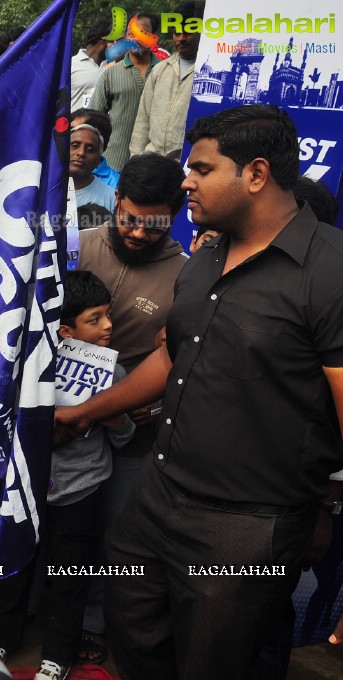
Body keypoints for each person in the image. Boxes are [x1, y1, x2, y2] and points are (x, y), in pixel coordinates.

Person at [55, 104, 343, 680]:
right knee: (133, 629)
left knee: (215, 660)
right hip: (157, 498)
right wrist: (85, 412)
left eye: (202, 169)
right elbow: (172, 355)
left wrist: (330, 508)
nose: (186, 180)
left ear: (256, 174)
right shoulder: (207, 255)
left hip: (249, 524)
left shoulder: (330, 270)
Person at [0, 270, 134, 680]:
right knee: (16, 565)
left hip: (82, 490)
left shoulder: (114, 375)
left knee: (71, 574)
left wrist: (115, 415)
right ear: (65, 331)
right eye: (95, 319)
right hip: (28, 486)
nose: (108, 326)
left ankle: (58, 654)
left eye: (109, 316)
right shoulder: (28, 368)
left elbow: (124, 440)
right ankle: (2, 638)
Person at [73, 152, 188, 661]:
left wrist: (153, 402)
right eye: (130, 221)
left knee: (114, 534)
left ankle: (96, 623)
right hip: (59, 427)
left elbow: (182, 357)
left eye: (154, 225)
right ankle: (31, 605)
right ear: (115, 201)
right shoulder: (76, 246)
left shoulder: (188, 277)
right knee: (55, 523)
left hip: (131, 434)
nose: (139, 234)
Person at [129, 2, 204, 162]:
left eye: (189, 32)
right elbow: (142, 122)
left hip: (188, 168)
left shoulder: (210, 71)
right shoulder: (160, 70)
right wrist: (135, 162)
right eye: (177, 33)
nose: (181, 38)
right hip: (151, 164)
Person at [94, 13, 160, 171]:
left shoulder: (166, 72)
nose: (135, 38)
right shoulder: (110, 74)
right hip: (113, 165)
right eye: (131, 33)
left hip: (153, 167)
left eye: (142, 33)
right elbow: (93, 119)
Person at [70, 123, 115, 211]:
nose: (81, 153)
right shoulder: (44, 188)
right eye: (75, 146)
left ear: (98, 160)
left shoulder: (111, 199)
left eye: (90, 150)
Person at [70, 20, 110, 110]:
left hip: (105, 123)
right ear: (104, 41)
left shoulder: (114, 67)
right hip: (76, 123)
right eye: (113, 41)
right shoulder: (71, 65)